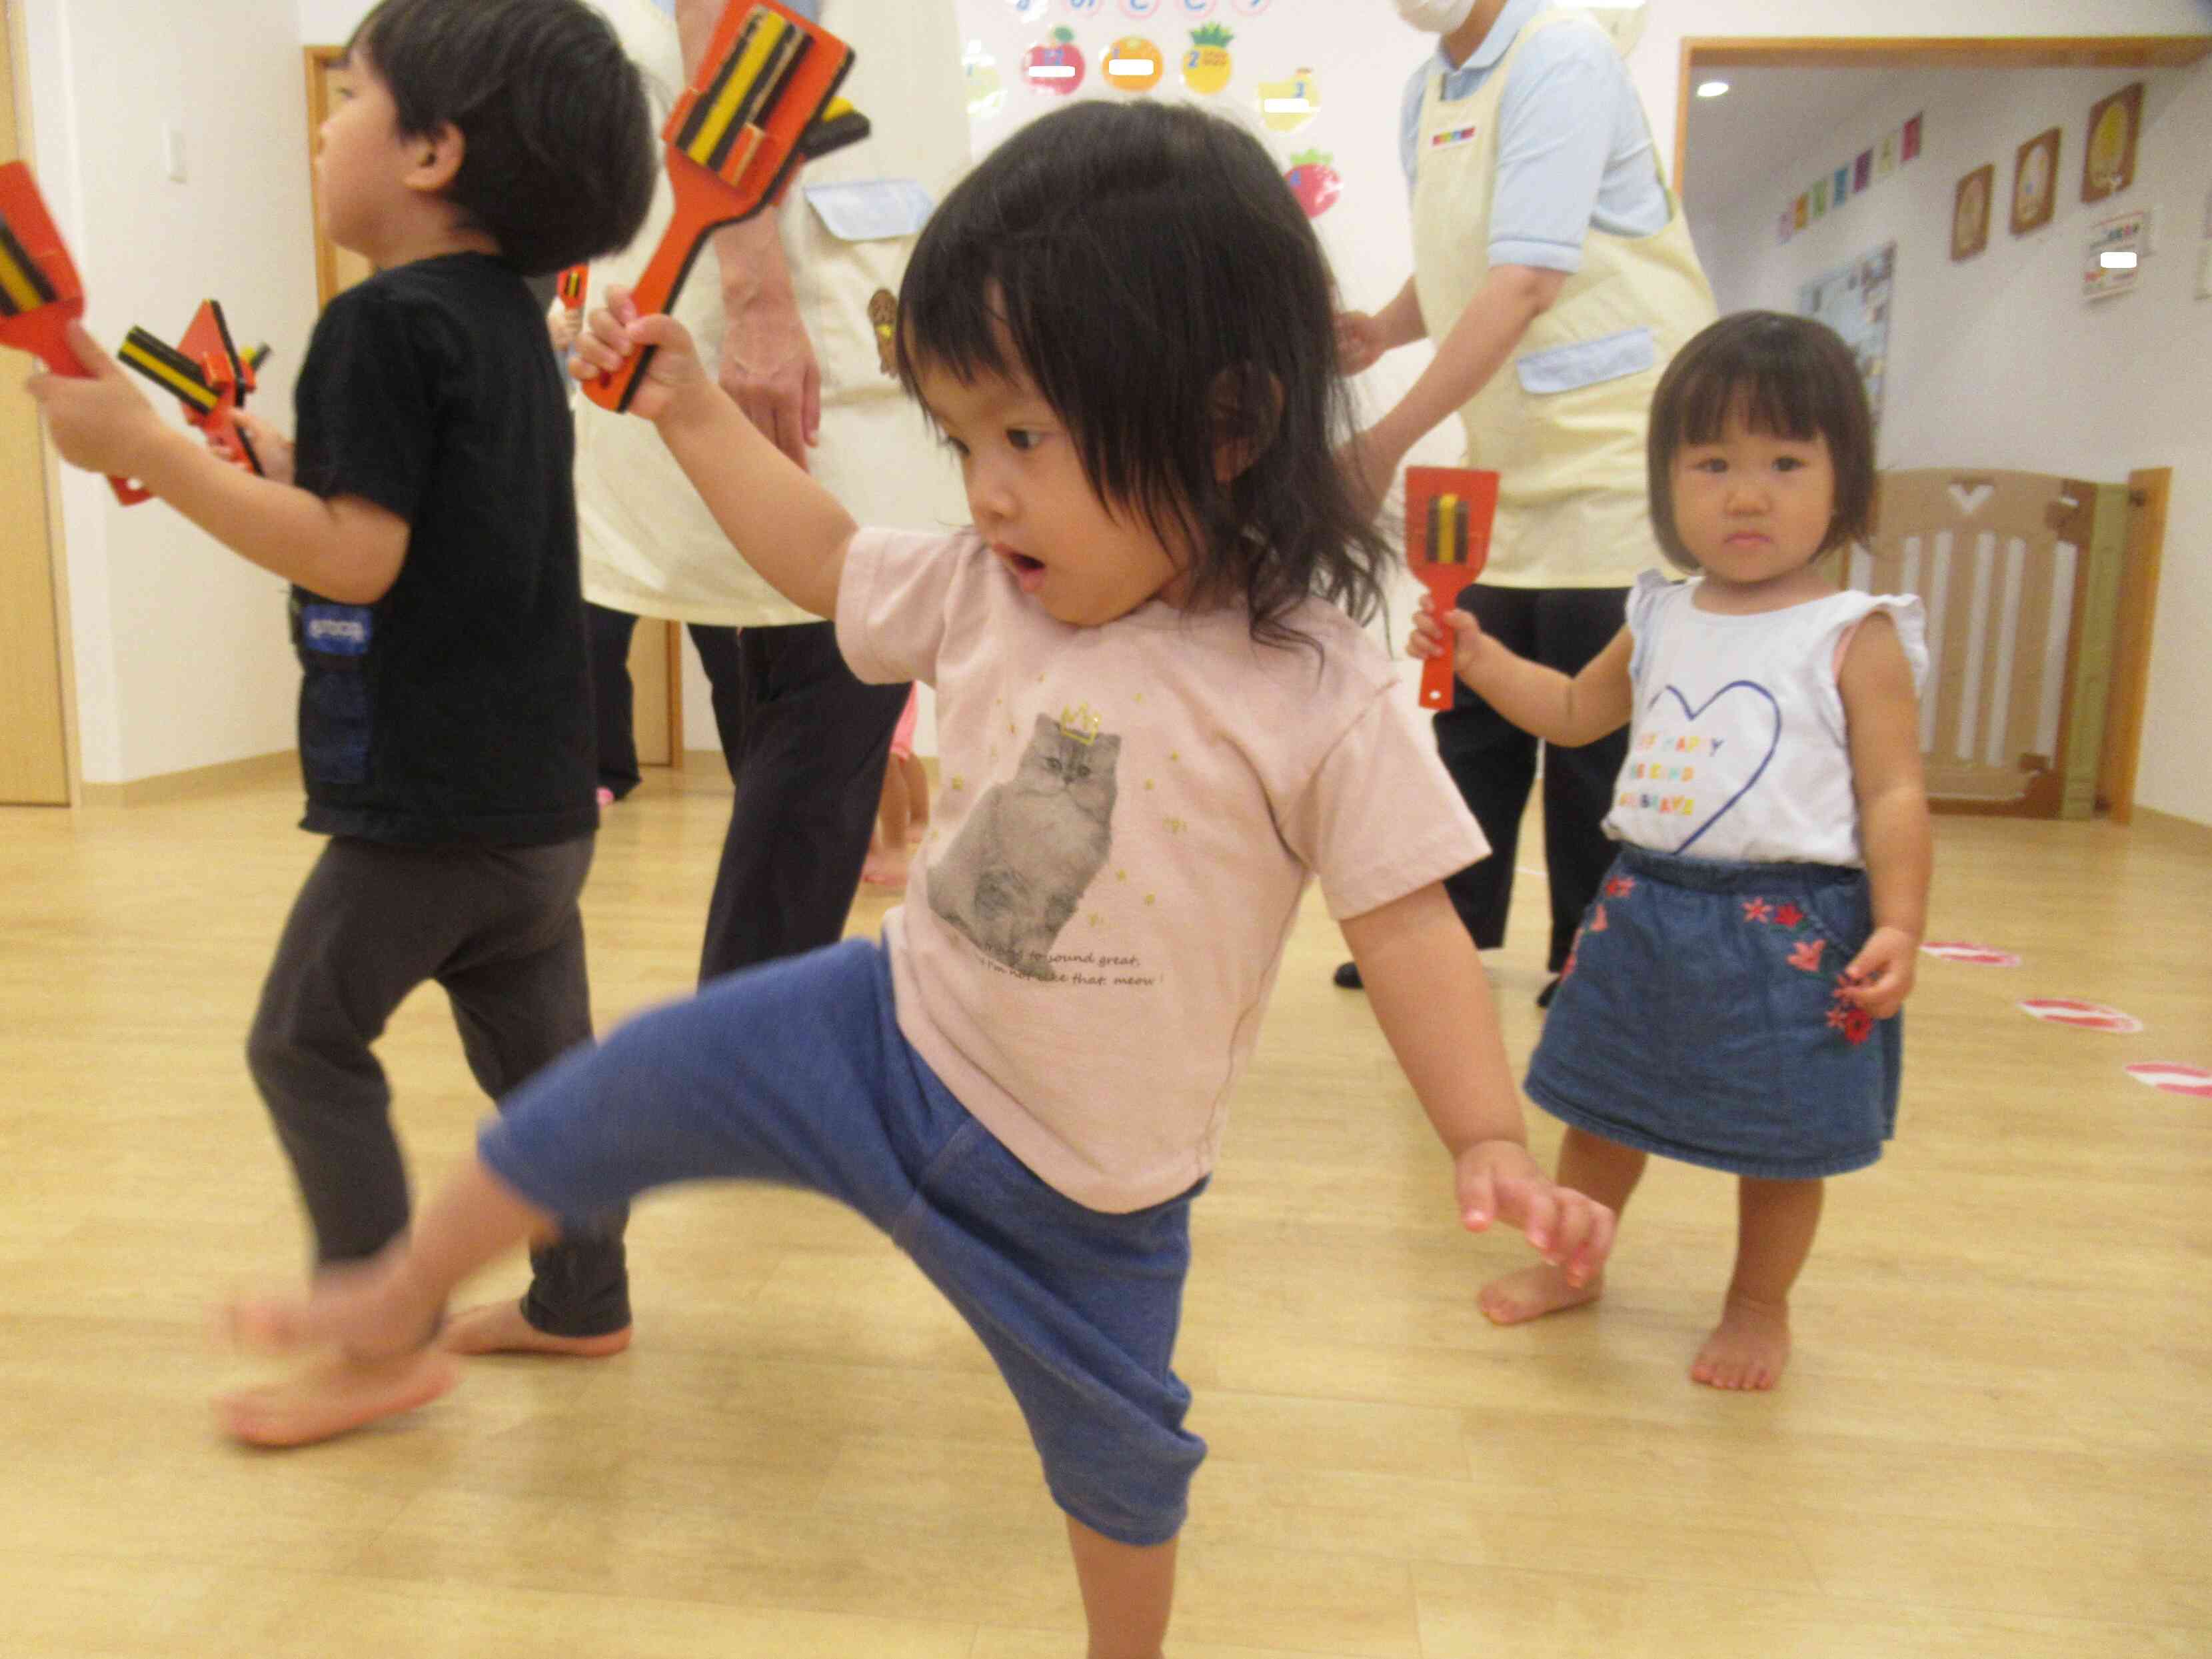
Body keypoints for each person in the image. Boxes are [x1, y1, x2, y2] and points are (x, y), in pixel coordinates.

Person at [226, 101, 1618, 1656]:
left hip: (1093, 1176)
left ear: (1228, 424)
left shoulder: (1312, 679)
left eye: (1024, 437)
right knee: (620, 1084)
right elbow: (822, 562)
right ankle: (396, 1288)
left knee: (1124, 1452)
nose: (986, 490)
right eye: (962, 440)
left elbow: (1408, 918)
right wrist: (692, 412)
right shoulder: (982, 582)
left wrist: (1486, 1129)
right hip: (891, 1027)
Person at [30, 0, 657, 1443]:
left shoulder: (376, 320)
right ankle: (581, 1293)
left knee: (305, 1041)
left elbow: (357, 556)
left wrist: (146, 454)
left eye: (350, 95)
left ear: (432, 150)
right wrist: (293, 456)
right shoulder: (513, 318)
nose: (323, 124)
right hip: (540, 804)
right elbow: (432, 509)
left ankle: (378, 1342)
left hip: (428, 806)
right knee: (543, 1065)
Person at [1409, 311, 1931, 1390]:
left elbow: (1890, 790)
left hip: (1794, 926)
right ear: (1665, 482)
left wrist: (1899, 920)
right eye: (1712, 463)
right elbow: (1562, 711)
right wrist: (1476, 652)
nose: (1746, 493)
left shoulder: (1853, 629)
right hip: (1639, 905)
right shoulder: (1656, 612)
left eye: (1784, 461)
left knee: (1779, 1138)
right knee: (1600, 1109)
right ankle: (1572, 1258)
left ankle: (1754, 1303)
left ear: (1845, 481)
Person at [1330, 0, 1718, 1001]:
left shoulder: (1562, 55)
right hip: (1507, 453)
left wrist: (1383, 442)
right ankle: (1451, 929)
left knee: (1595, 733)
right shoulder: (1430, 89)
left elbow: (1526, 278)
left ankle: (1590, 956)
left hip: (1615, 446)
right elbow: (1465, 258)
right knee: (1465, 702)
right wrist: (1382, 325)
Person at [568, 0, 966, 946]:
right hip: (777, 292)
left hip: (816, 276)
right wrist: (756, 297)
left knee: (796, 688)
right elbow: (732, 33)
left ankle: (747, 1046)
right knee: (833, 663)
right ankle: (745, 1062)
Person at [860, 685, 929, 890]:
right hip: (848, 676)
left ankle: (895, 850)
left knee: (890, 756)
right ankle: (871, 849)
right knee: (865, 759)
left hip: (889, 679)